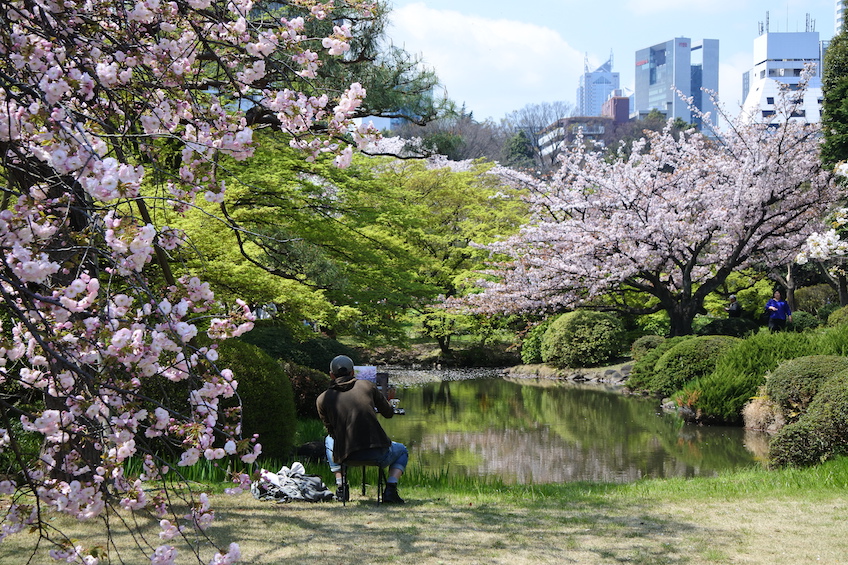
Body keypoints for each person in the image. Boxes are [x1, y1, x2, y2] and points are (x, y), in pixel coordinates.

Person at [317, 355, 409, 504]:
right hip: (378, 454)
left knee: (329, 440)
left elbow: (331, 431)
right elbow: (388, 413)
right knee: (402, 450)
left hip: (346, 457)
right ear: (353, 373)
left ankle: (341, 487)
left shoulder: (322, 398)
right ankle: (391, 489)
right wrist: (389, 402)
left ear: (331, 375)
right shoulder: (367, 386)